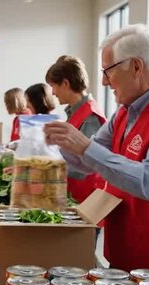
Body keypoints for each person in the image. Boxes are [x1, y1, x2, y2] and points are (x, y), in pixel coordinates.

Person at [44, 24, 149, 280]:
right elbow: (90, 161)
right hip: (127, 243)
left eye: (108, 71)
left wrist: (85, 146)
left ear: (137, 67)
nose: (104, 81)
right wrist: (51, 151)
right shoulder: (126, 110)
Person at [46, 55, 106, 202]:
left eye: (54, 86)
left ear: (65, 83)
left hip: (85, 200)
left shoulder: (91, 116)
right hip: (74, 196)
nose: (53, 93)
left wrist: (44, 167)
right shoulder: (75, 113)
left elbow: (86, 166)